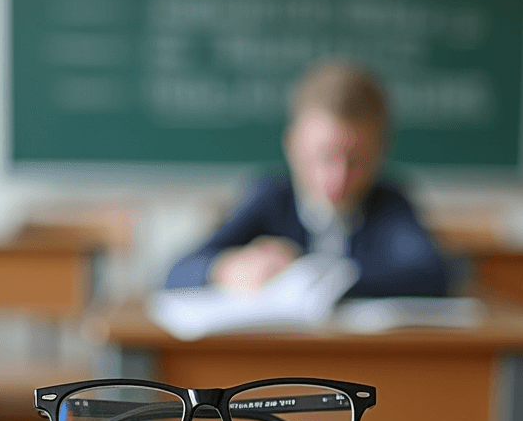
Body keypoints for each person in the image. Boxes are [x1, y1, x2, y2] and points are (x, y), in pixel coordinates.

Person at [164, 61, 451, 298]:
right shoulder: (271, 198)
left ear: (380, 153)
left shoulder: (389, 203)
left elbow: (435, 274)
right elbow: (176, 273)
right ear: (292, 146)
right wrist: (226, 269)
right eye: (325, 157)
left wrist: (309, 274)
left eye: (356, 162)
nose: (338, 177)